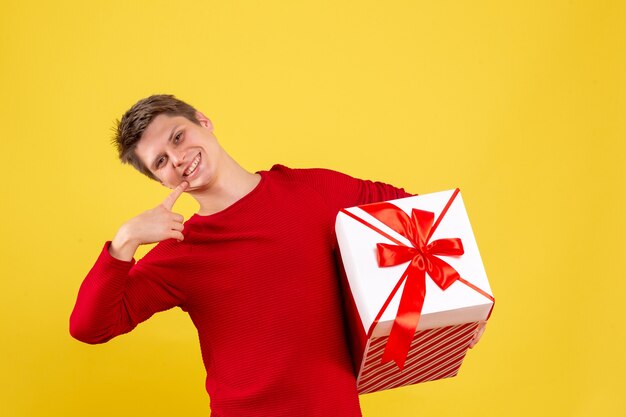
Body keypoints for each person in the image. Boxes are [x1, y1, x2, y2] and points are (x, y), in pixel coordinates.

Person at [70, 94, 485, 417]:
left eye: (177, 137)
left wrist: (454, 314)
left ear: (203, 122)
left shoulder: (311, 192)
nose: (177, 158)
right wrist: (122, 243)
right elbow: (90, 326)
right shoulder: (179, 252)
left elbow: (422, 221)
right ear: (160, 179)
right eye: (161, 161)